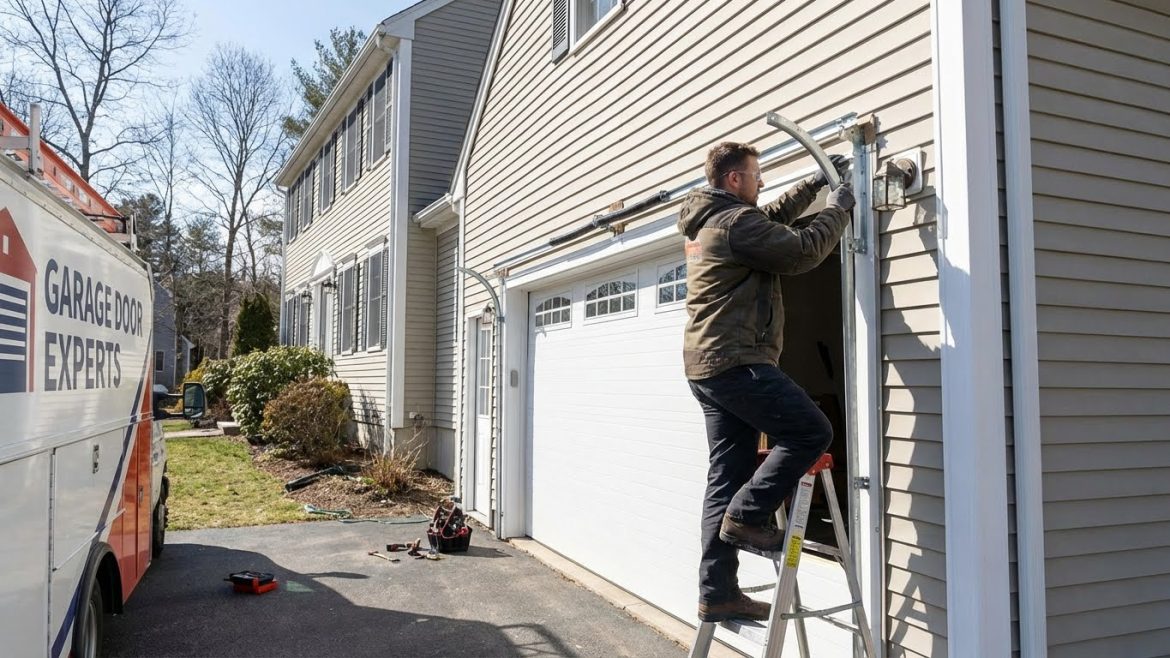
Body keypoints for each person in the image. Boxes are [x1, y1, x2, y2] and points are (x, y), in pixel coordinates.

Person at [678, 141, 855, 622]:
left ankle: (717, 593)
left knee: (724, 478)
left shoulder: (711, 221)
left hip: (708, 365)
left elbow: (772, 213)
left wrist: (816, 183)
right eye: (756, 175)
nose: (761, 183)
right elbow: (801, 252)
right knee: (811, 431)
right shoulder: (736, 224)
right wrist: (837, 208)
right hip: (737, 362)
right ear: (734, 179)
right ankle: (749, 515)